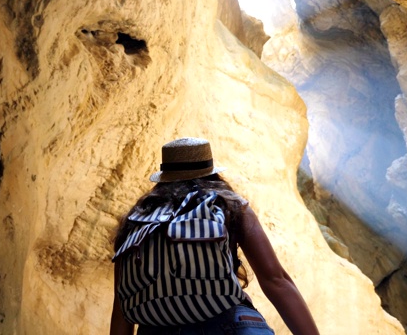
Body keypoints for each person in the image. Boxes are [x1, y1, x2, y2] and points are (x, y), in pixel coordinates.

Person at [109, 137, 319, 335]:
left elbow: (122, 306)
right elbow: (276, 281)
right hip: (230, 325)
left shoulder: (137, 219)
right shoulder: (228, 205)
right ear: (211, 172)